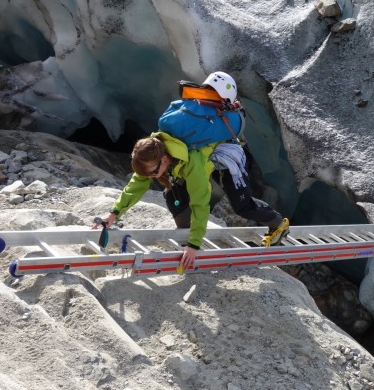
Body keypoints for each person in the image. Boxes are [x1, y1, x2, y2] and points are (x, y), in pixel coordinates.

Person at [101, 72, 289, 270]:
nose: (151, 177)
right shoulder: (154, 148)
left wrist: (194, 245)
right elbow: (138, 182)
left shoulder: (192, 163)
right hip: (204, 154)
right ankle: (185, 234)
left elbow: (201, 203)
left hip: (224, 157)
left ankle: (278, 224)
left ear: (164, 159)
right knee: (172, 195)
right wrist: (114, 213)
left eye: (153, 172)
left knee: (242, 206)